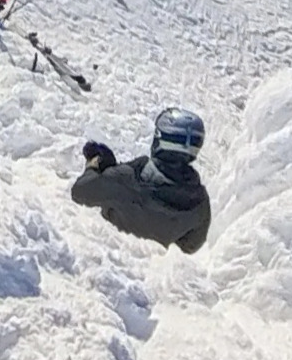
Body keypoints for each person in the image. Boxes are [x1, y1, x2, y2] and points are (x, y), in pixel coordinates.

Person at [70, 108, 211, 254]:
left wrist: (94, 166)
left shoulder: (129, 177)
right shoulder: (200, 203)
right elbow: (191, 248)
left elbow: (80, 191)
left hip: (110, 258)